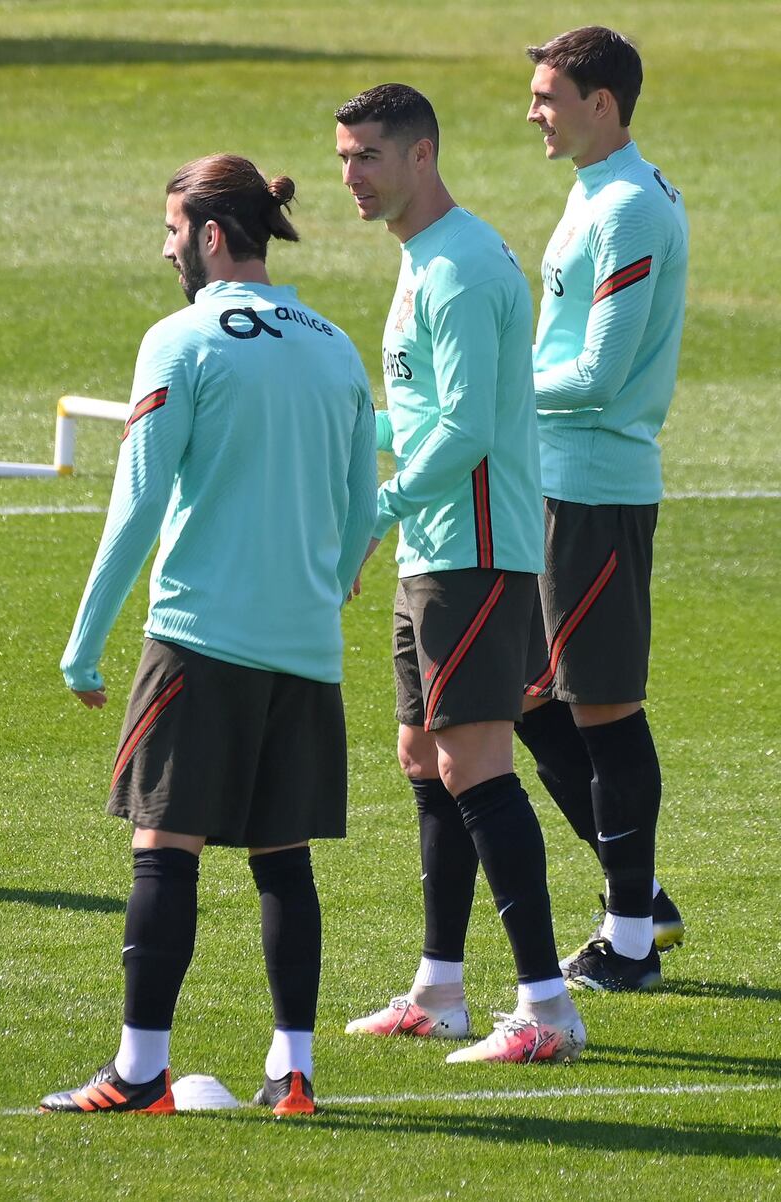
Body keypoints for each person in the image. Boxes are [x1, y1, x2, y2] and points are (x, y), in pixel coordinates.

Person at [39, 154, 377, 1116]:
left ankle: (141, 1071)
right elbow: (364, 509)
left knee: (164, 846)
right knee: (284, 856)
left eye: (173, 229)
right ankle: (294, 1070)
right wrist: (327, 584)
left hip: (200, 638)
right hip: (305, 649)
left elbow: (137, 502)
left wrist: (84, 642)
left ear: (213, 235)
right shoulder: (334, 346)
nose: (166, 247)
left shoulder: (181, 340)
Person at [335, 84, 585, 1064]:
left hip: (475, 550)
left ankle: (547, 1011)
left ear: (420, 154)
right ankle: (441, 988)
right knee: (421, 755)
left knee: (475, 763)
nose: (348, 177)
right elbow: (426, 412)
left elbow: (469, 429)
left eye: (365, 158)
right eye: (343, 157)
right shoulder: (421, 259)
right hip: (435, 546)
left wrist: (373, 509)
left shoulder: (465, 265)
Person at [514, 26, 689, 991]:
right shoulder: (600, 197)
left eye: (548, 96)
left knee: (605, 708)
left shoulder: (627, 208)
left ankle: (628, 942)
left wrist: (494, 398)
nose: (533, 112)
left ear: (602, 104)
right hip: (555, 482)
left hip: (594, 488)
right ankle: (643, 897)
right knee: (529, 696)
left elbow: (600, 373)